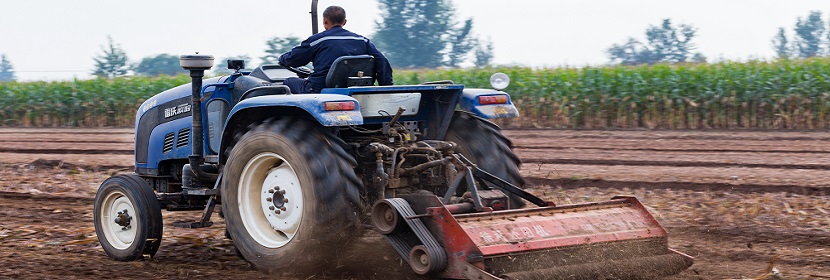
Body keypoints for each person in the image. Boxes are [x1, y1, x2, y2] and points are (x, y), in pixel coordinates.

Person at [279, 5, 393, 93]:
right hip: (356, 89)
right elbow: (381, 61)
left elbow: (294, 59)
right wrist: (385, 88)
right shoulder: (362, 41)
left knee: (288, 82)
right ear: (344, 22)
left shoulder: (317, 40)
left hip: (319, 90)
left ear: (324, 21)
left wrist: (282, 59)